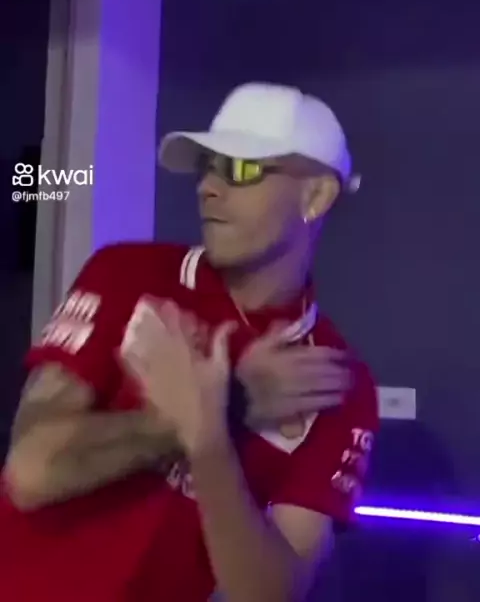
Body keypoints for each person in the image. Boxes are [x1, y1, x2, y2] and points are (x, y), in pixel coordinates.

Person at [0, 82, 378, 602]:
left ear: (315, 196)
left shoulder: (334, 384)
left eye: (240, 169)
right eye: (207, 165)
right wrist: (225, 406)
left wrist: (210, 437)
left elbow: (271, 594)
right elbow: (30, 473)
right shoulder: (126, 274)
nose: (207, 187)